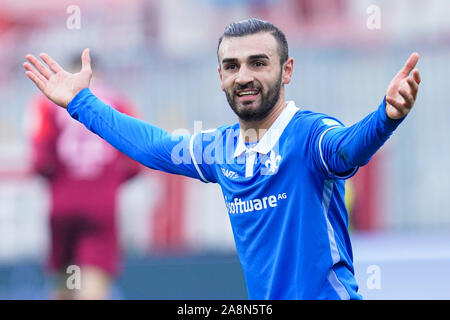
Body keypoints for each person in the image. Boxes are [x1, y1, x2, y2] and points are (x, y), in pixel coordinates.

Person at [23, 18, 421, 300]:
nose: (243, 76)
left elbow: (349, 147)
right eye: (232, 66)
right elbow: (154, 146)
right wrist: (81, 103)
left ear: (287, 71)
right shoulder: (221, 150)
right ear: (220, 76)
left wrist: (386, 118)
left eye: (258, 63)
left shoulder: (309, 135)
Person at [28, 57, 142, 300]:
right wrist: (107, 181)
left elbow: (40, 162)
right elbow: (136, 161)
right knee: (92, 290)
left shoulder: (46, 104)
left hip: (61, 207)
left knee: (63, 287)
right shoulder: (118, 102)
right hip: (101, 207)